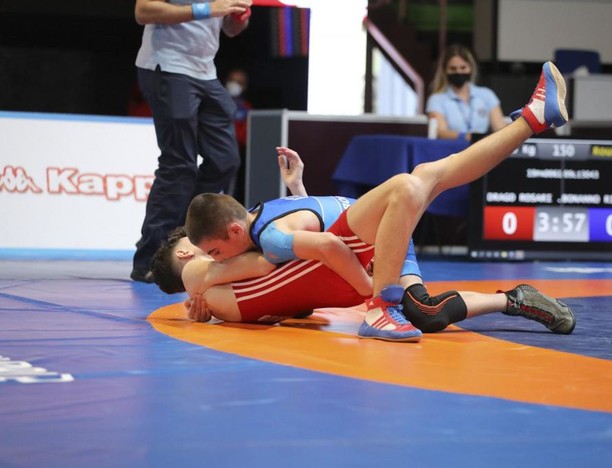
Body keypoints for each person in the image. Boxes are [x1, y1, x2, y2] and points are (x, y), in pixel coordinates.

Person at [179, 62, 574, 342]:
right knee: (424, 307)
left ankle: (380, 310)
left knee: (411, 184)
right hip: (378, 233)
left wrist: (372, 295)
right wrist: (299, 188)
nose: (218, 259)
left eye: (214, 251)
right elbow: (310, 235)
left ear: (232, 229)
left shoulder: (267, 240)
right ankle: (516, 298)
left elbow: (327, 245)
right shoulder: (269, 214)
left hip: (369, 233)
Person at [130, 0, 253, 283]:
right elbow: (143, 11)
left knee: (225, 161)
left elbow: (232, 29)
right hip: (167, 65)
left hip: (205, 72)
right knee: (179, 164)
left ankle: (184, 235)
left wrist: (240, 16)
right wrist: (208, 8)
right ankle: (150, 257)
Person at [426, 44, 507, 141]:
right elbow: (440, 132)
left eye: (463, 67)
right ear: (445, 71)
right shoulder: (437, 99)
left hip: (484, 150)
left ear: (471, 68)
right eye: (453, 68)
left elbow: (500, 129)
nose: (458, 72)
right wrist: (467, 137)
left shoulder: (486, 95)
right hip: (451, 151)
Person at [224, 67, 253, 204]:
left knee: (229, 189)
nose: (234, 84)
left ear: (244, 86)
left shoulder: (246, 108)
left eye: (238, 82)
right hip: (209, 151)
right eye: (232, 80)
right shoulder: (215, 101)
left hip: (232, 153)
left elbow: (245, 136)